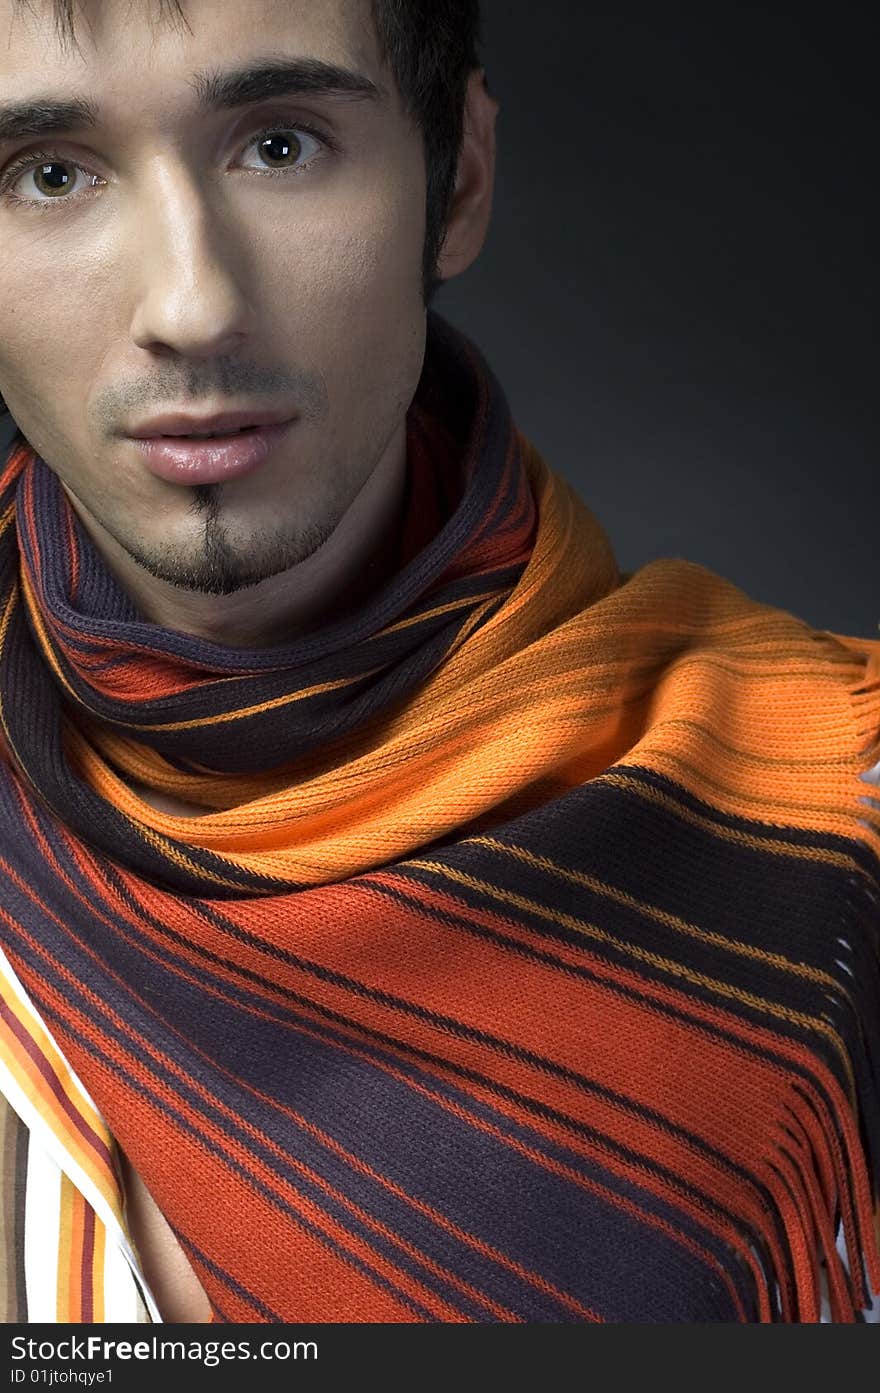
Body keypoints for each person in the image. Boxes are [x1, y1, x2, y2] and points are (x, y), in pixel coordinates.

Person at [0, 0, 877, 1326]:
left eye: (281, 146)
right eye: (51, 172)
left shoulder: (839, 826)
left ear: (456, 177)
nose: (191, 305)